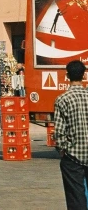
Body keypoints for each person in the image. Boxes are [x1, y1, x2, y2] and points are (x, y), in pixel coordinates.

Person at [53, 60, 88, 210]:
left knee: (75, 195)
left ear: (67, 76)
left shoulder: (62, 99)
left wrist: (62, 149)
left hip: (73, 155)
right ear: (84, 75)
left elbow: (59, 132)